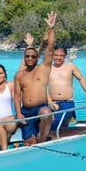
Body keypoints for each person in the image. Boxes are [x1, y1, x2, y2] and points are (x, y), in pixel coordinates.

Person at [14, 12, 57, 145]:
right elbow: (16, 96)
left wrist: (51, 29)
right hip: (26, 111)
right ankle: (33, 142)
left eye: (33, 56)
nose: (30, 58)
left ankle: (42, 142)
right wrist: (19, 113)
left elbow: (50, 49)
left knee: (46, 113)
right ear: (24, 58)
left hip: (41, 107)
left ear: (37, 57)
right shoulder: (19, 75)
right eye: (28, 56)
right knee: (29, 142)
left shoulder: (43, 69)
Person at [47, 46, 86, 136]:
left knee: (60, 125)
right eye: (56, 55)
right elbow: (41, 86)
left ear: (65, 56)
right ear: (52, 56)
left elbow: (81, 79)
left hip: (67, 103)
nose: (58, 58)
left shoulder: (70, 66)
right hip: (52, 103)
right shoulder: (47, 68)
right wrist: (49, 101)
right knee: (50, 125)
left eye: (61, 55)